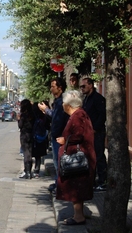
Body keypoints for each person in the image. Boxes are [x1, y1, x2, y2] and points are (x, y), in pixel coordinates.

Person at [55, 90, 96, 226]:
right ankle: (78, 215)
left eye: (63, 103)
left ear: (68, 105)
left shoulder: (78, 116)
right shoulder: (79, 114)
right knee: (77, 187)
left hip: (77, 159)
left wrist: (65, 140)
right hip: (80, 157)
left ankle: (79, 217)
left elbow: (78, 135)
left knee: (76, 187)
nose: (62, 106)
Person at [38, 77, 69, 192]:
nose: (51, 89)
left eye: (53, 86)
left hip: (59, 137)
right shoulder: (57, 101)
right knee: (58, 161)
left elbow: (57, 118)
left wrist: (46, 110)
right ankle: (58, 182)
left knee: (59, 162)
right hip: (57, 135)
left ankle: (60, 184)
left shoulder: (61, 101)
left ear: (60, 88)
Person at [80, 77, 107, 191]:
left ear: (90, 85)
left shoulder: (97, 98)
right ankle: (93, 180)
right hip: (88, 132)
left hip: (97, 132)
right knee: (91, 157)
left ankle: (103, 181)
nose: (82, 88)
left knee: (99, 156)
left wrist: (95, 128)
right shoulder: (86, 99)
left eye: (84, 86)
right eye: (81, 86)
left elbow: (102, 115)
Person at [32, 102, 50, 178]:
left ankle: (28, 170)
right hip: (42, 138)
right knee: (38, 156)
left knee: (31, 154)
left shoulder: (33, 116)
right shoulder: (44, 116)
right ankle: (37, 171)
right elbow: (48, 126)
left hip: (34, 138)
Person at [18, 99, 35, 179]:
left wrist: (18, 119)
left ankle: (27, 172)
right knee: (30, 153)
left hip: (24, 135)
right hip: (31, 134)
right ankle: (29, 171)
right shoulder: (32, 114)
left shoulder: (23, 115)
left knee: (26, 153)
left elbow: (20, 125)